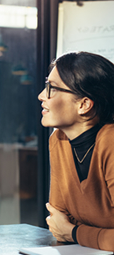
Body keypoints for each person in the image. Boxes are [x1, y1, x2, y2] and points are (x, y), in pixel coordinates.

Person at [38, 51, 114, 251]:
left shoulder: (111, 142)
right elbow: (58, 221)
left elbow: (66, 230)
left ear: (84, 104)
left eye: (51, 88)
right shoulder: (59, 140)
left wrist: (75, 232)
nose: (41, 96)